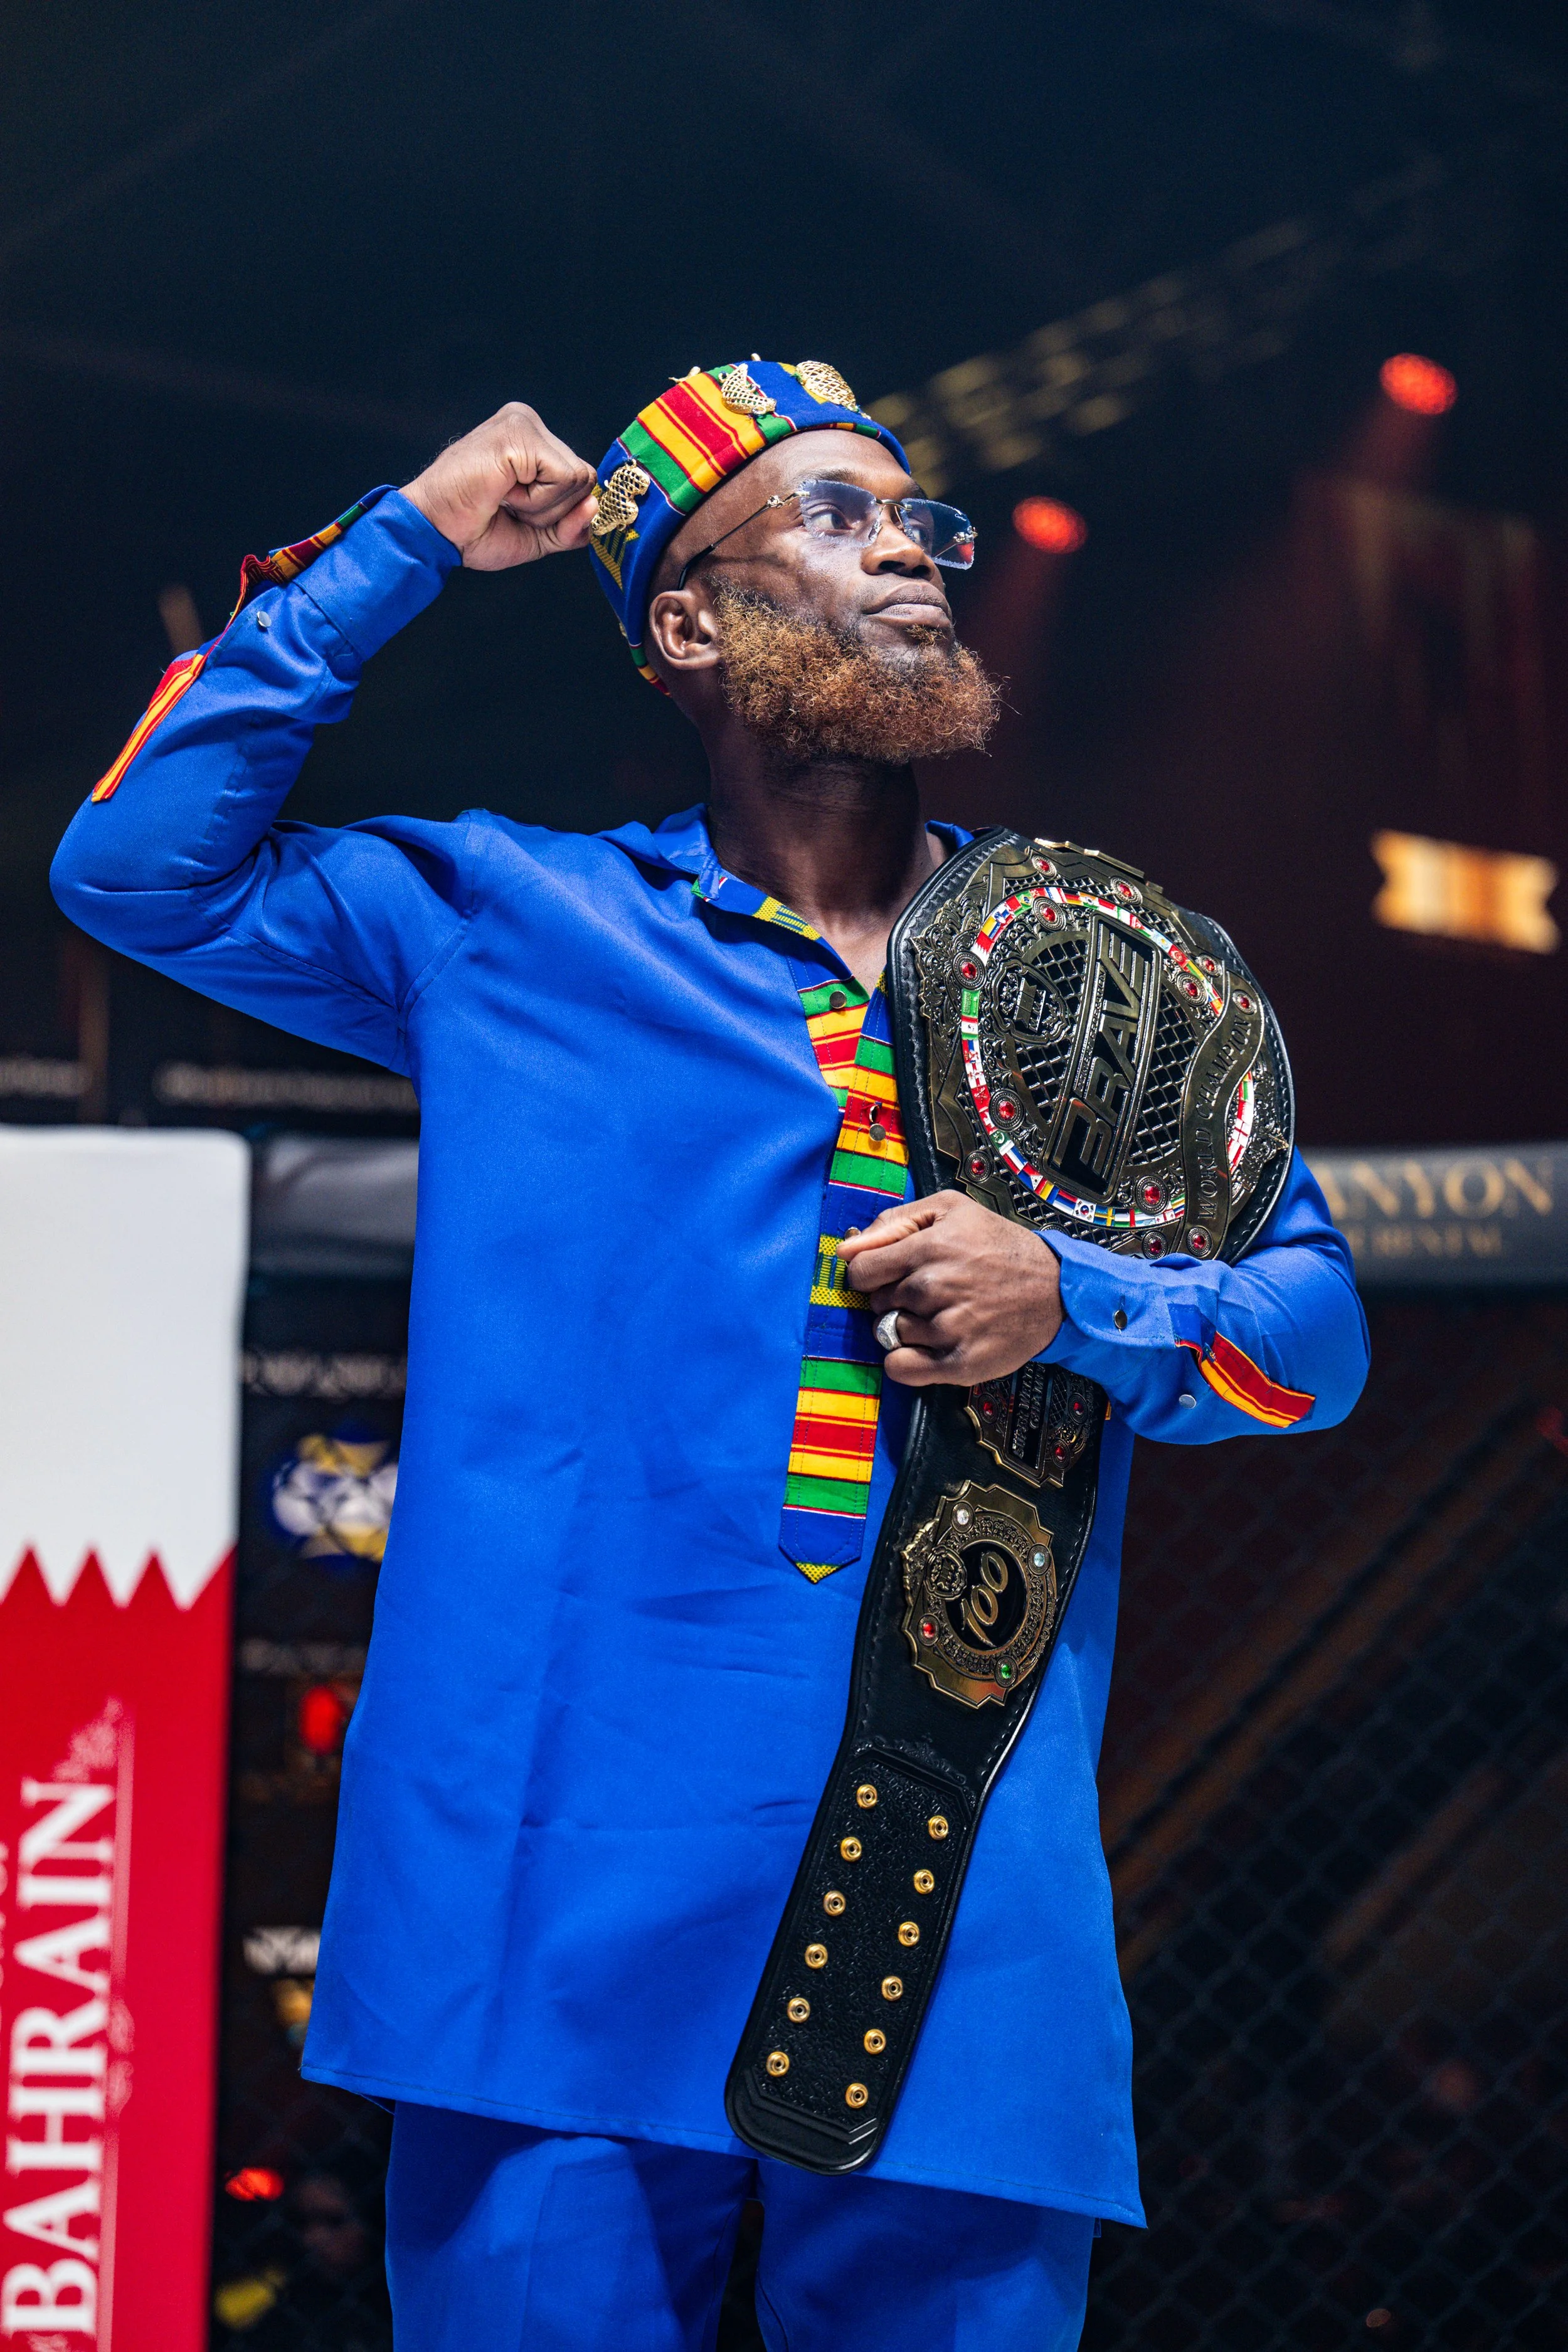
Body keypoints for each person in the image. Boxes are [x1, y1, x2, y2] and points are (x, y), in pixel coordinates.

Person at [53, 358, 1369, 2351]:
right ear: (689, 623)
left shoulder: (1101, 979)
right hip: (542, 1905)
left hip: (950, 1897)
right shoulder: (508, 916)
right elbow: (136, 866)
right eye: (836, 518)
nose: (912, 553)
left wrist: (1079, 1301)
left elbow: (1315, 1332)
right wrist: (401, 546)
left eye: (920, 518)